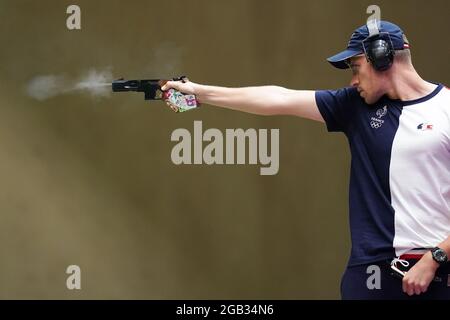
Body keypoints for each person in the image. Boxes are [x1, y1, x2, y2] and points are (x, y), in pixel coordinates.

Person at [161, 20, 450, 300]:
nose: (352, 80)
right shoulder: (355, 106)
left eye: (355, 67)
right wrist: (199, 92)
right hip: (371, 273)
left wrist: (436, 257)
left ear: (381, 56)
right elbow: (278, 98)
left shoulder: (446, 108)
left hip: (439, 272)